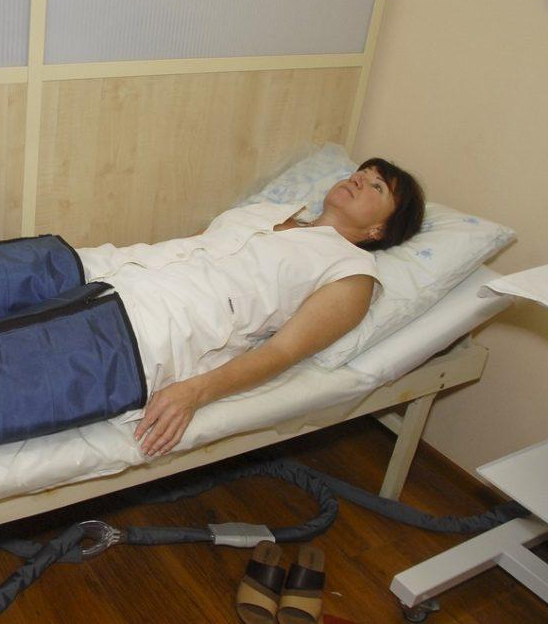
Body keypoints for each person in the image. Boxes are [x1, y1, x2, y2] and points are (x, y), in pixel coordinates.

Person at [77, 158, 425, 458]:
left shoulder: (352, 274)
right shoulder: (271, 212)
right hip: (104, 270)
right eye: (361, 172)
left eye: (377, 186)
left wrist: (194, 392)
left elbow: (282, 352)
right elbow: (190, 246)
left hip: (147, 328)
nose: (359, 178)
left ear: (380, 229)